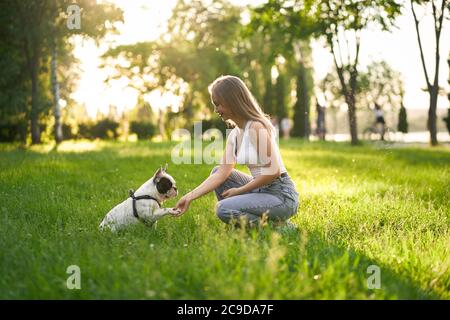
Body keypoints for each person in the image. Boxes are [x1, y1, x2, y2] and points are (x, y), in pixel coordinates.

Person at [173, 75, 299, 228]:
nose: (215, 109)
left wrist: (239, 190)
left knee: (223, 208)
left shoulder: (256, 126)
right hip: (262, 190)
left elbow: (273, 171)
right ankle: (243, 225)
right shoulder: (235, 134)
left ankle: (280, 229)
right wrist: (189, 197)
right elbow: (221, 174)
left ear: (232, 101)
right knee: (216, 171)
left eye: (218, 104)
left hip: (281, 195)